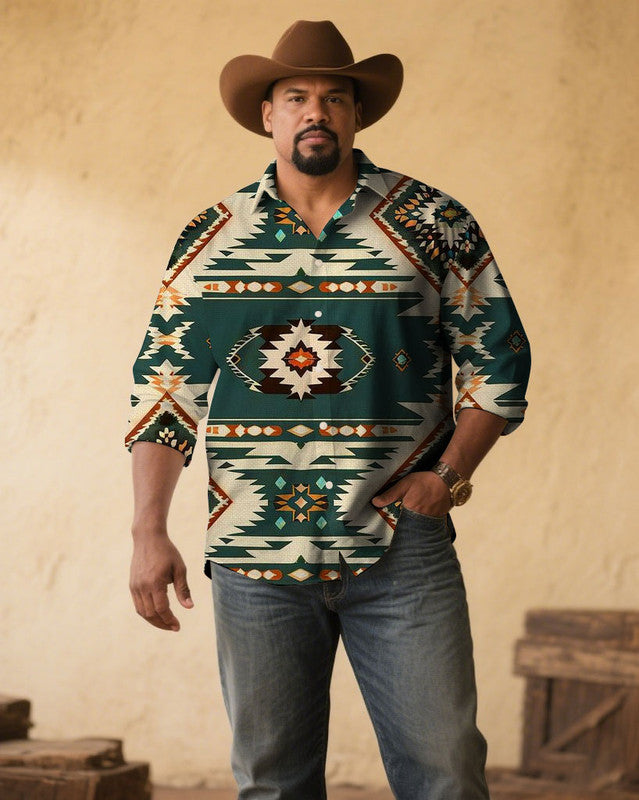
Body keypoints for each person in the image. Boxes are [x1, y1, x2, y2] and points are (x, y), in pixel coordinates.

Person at [125, 19, 531, 800]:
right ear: (267, 115)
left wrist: (445, 479)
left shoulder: (432, 222)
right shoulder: (210, 238)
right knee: (273, 784)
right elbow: (164, 391)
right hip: (253, 556)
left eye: (334, 98)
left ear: (355, 114)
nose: (316, 111)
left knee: (446, 772)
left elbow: (499, 361)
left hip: (400, 550)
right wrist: (148, 530)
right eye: (296, 97)